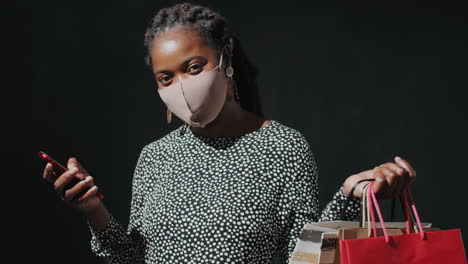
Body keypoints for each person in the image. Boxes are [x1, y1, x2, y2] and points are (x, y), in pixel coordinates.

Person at [41, 2, 416, 263]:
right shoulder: (154, 157)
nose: (182, 86)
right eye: (165, 77)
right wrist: (93, 210)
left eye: (193, 66)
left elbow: (304, 259)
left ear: (225, 57)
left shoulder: (283, 147)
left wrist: (349, 195)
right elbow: (132, 259)